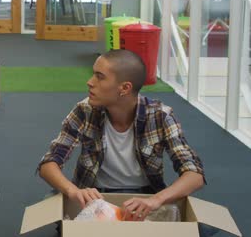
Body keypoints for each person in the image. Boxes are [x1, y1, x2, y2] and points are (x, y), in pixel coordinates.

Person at [38, 49, 205, 222]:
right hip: (95, 194)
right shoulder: (84, 110)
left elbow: (194, 174)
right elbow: (49, 163)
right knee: (51, 204)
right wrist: (73, 191)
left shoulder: (161, 116)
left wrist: (156, 200)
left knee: (200, 226)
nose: (89, 82)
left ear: (125, 88)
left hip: (145, 195)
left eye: (99, 76)